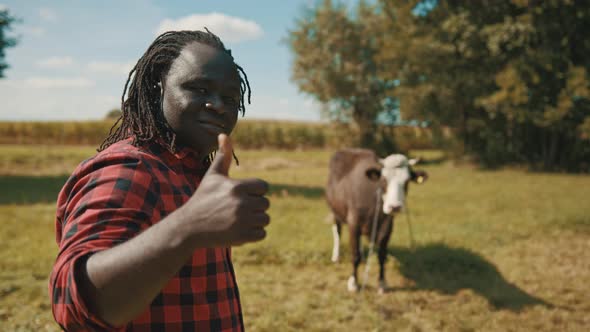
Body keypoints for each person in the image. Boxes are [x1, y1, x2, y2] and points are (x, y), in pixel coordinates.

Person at [49, 29, 270, 331]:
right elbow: (72, 306)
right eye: (199, 89)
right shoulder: (130, 169)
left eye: (230, 97)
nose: (218, 105)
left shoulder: (189, 172)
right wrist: (191, 225)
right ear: (158, 89)